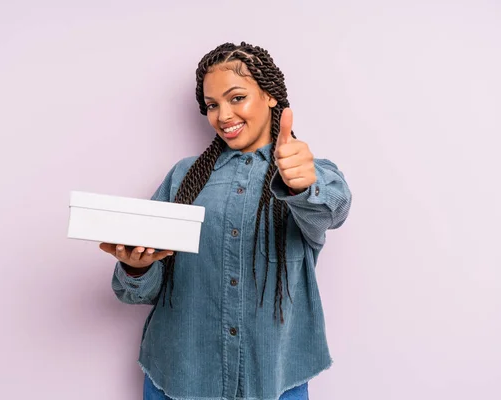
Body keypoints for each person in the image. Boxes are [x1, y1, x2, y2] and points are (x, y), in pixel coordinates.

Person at [99, 41, 352, 400]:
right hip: (180, 376)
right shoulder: (183, 178)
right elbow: (143, 289)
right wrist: (136, 268)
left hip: (275, 378)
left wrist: (304, 183)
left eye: (236, 98)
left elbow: (333, 210)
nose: (223, 116)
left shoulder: (308, 173)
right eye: (212, 105)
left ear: (269, 96)